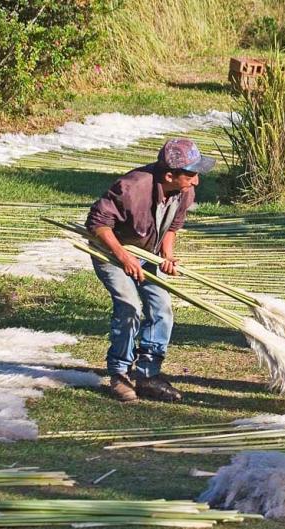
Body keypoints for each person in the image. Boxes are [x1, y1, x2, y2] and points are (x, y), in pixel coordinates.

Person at [85, 138, 215, 402]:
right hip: (111, 253)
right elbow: (97, 224)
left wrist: (167, 256)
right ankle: (119, 374)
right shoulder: (131, 188)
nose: (196, 181)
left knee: (161, 310)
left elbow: (172, 227)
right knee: (130, 306)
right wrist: (124, 257)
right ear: (170, 175)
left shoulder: (185, 190)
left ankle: (148, 375)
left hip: (148, 255)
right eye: (191, 174)